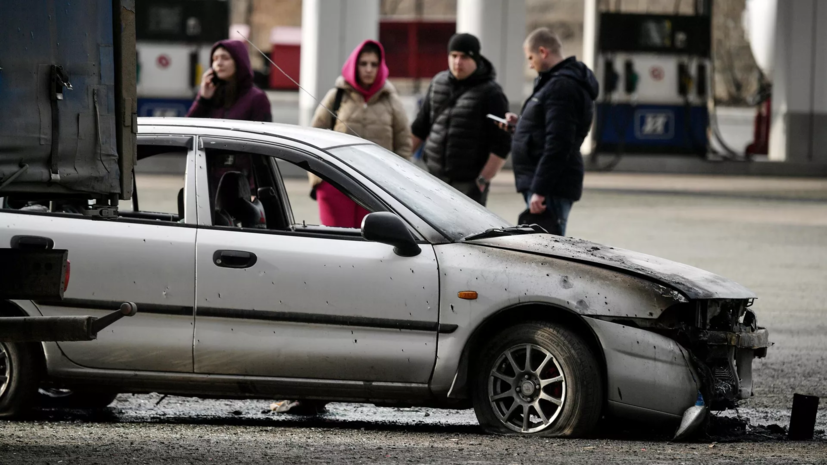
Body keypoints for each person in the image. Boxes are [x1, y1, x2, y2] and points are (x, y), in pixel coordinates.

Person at [499, 28, 598, 236]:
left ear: (543, 52)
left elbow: (559, 142)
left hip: (550, 188)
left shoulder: (561, 86)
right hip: (546, 184)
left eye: (530, 57)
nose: (530, 64)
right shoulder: (556, 83)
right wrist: (521, 125)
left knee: (549, 247)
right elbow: (549, 130)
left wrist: (540, 190)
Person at [309, 39, 412, 228]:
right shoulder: (337, 95)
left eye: (374, 64)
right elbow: (313, 136)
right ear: (354, 65)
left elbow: (404, 146)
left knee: (373, 241)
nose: (368, 69)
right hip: (337, 185)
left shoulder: (391, 100)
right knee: (338, 241)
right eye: (363, 63)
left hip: (380, 189)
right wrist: (318, 180)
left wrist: (399, 186)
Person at [410, 33, 510, 206]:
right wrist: (398, 163)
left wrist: (482, 180)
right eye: (454, 55)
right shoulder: (438, 83)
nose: (457, 62)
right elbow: (420, 127)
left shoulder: (492, 93)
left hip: (468, 184)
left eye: (464, 57)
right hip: (432, 177)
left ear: (475, 58)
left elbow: (502, 144)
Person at [187, 40, 272, 122]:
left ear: (239, 62)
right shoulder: (211, 92)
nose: (219, 63)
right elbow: (188, 126)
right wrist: (203, 99)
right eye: (215, 59)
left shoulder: (257, 98)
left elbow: (263, 130)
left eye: (225, 58)